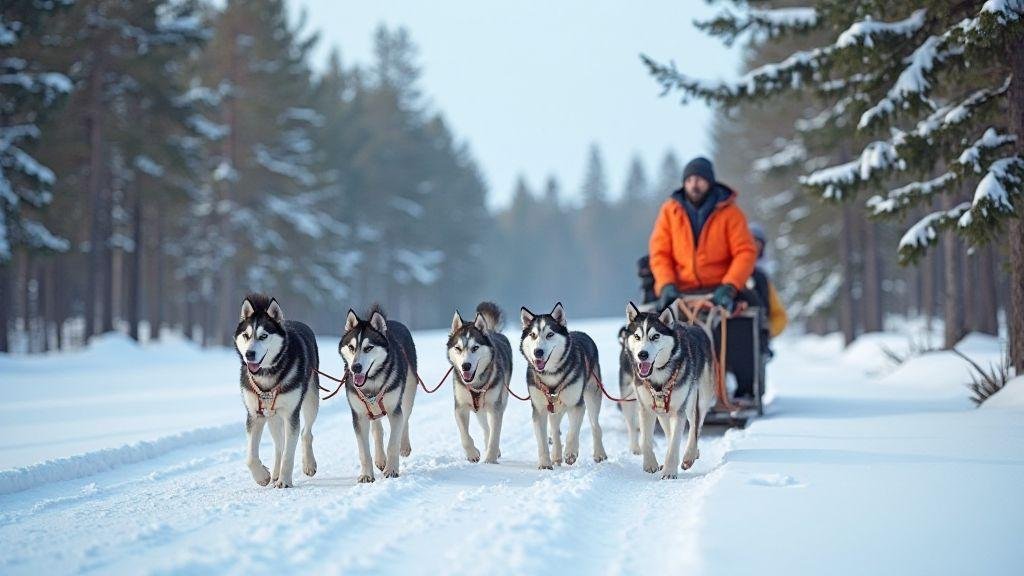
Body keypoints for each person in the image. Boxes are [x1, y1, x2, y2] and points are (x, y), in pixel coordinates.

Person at [648, 156, 757, 313]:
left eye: (699, 179)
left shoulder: (731, 213)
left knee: (752, 310)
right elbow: (660, 254)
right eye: (689, 180)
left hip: (720, 289)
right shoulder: (669, 211)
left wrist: (730, 286)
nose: (694, 185)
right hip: (679, 291)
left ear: (709, 182)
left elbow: (745, 252)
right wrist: (666, 285)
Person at [747, 223, 788, 342]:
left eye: (757, 243)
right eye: (749, 241)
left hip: (755, 343)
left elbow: (780, 317)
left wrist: (767, 330)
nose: (753, 247)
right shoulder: (724, 275)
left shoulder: (761, 279)